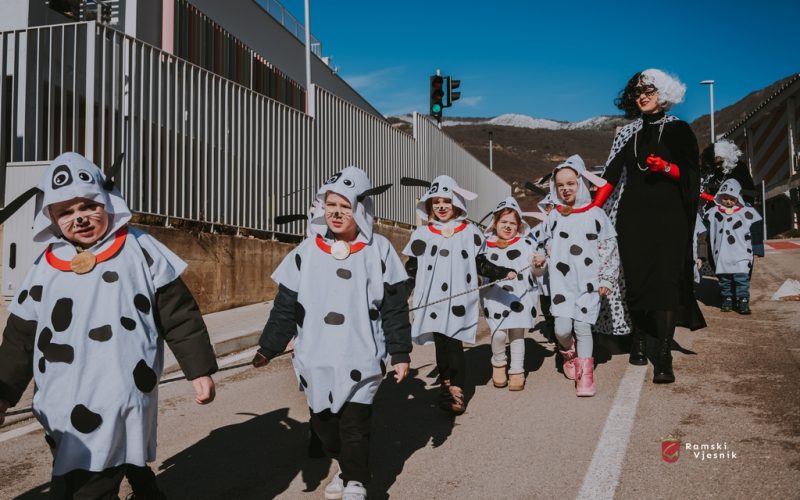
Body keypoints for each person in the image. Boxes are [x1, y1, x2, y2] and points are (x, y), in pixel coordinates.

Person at [0, 152, 217, 499]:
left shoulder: (140, 248)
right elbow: (21, 337)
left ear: (106, 202)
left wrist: (199, 369)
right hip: (60, 394)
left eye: (88, 206)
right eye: (66, 212)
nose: (80, 218)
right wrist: (3, 393)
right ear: (52, 218)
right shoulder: (45, 266)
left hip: (120, 386)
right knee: (76, 454)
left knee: (85, 482)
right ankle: (141, 480)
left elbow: (178, 313)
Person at [252, 166, 411, 500]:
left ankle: (356, 480)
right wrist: (268, 347)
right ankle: (344, 465)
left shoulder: (379, 250)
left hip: (362, 355)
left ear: (361, 209)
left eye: (346, 206)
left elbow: (394, 308)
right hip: (316, 358)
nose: (337, 213)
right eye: (331, 205)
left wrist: (400, 353)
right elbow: (285, 306)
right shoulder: (307, 251)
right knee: (325, 426)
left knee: (355, 424)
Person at [593, 68, 706, 384]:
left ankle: (664, 353)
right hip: (634, 220)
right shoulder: (628, 135)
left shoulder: (680, 130)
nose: (643, 96)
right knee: (638, 281)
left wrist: (668, 167)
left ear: (664, 95)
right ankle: (639, 338)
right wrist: (590, 209)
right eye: (639, 92)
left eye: (650, 91)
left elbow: (693, 177)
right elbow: (611, 176)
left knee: (665, 284)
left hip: (671, 223)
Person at [403, 175, 515, 414]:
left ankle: (457, 389)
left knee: (454, 342)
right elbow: (411, 269)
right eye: (436, 202)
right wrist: (398, 293)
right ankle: (446, 385)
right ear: (429, 205)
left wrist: (503, 271)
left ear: (456, 203)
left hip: (459, 300)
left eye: (447, 200)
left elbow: (481, 264)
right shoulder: (422, 234)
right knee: (442, 344)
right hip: (433, 300)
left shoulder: (469, 232)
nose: (441, 206)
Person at [533, 155, 619, 397]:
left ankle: (586, 376)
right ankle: (567, 351)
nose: (565, 189)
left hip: (588, 284)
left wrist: (607, 279)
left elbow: (609, 248)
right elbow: (541, 242)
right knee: (561, 329)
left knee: (583, 327)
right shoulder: (554, 216)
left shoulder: (596, 215)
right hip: (561, 284)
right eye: (560, 185)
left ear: (581, 182)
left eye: (570, 183)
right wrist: (540, 257)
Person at [479, 197, 539, 391]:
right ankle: (498, 363)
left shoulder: (526, 243)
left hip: (520, 296)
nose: (507, 226)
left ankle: (517, 370)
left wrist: (540, 265)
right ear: (495, 223)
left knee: (517, 334)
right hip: (494, 296)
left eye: (512, 223)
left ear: (519, 225)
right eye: (503, 222)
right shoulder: (485, 244)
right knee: (497, 334)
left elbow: (537, 271)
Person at [703, 179, 763, 314]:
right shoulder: (713, 213)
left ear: (737, 197)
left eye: (732, 198)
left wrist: (758, 248)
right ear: (720, 197)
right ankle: (727, 299)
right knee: (725, 280)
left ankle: (742, 300)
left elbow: (756, 230)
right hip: (722, 254)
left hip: (741, 252)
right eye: (725, 198)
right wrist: (702, 252)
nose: (728, 201)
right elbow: (704, 231)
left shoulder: (747, 212)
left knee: (742, 278)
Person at [529, 193, 556, 342]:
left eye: (553, 206)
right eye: (548, 207)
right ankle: (551, 329)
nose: (549, 210)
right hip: (544, 277)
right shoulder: (537, 229)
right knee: (546, 303)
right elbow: (530, 246)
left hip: (562, 276)